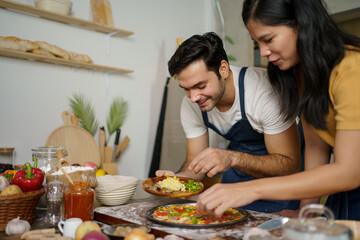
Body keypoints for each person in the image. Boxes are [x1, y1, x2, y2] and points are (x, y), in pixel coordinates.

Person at [195, 0, 360, 220]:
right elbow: (316, 147)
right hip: (345, 195)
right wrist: (305, 211)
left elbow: (349, 172)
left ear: (301, 24)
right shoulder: (302, 73)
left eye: (268, 39)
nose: (263, 52)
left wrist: (250, 189)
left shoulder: (351, 68)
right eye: (257, 43)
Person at [156, 32, 302, 213]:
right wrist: (177, 180)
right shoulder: (192, 103)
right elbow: (195, 164)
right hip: (238, 175)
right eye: (186, 89)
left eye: (200, 86)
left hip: (281, 183)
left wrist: (231, 158)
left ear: (223, 69)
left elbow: (289, 165)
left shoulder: (264, 93)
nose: (193, 97)